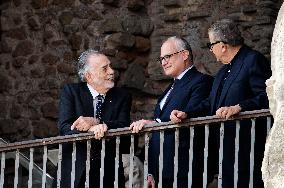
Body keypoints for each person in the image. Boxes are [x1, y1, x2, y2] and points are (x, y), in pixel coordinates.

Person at [171, 19, 272, 188]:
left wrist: (239, 107)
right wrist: (186, 113)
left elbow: (267, 96)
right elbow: (210, 103)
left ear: (223, 45)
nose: (211, 50)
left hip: (249, 150)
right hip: (226, 153)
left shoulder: (253, 60)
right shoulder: (223, 71)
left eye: (211, 45)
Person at [130, 36, 213, 188]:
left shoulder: (201, 81)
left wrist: (155, 123)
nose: (163, 62)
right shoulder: (169, 88)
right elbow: (155, 136)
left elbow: (193, 113)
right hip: (161, 172)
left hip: (185, 169)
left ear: (185, 55)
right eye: (161, 58)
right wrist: (150, 172)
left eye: (167, 56)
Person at [56, 49, 132, 188]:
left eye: (110, 66)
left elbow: (124, 130)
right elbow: (65, 128)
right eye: (105, 68)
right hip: (74, 174)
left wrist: (99, 122)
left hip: (109, 174)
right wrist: (91, 130)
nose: (111, 71)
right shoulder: (71, 92)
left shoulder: (122, 96)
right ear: (89, 76)